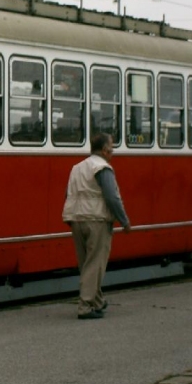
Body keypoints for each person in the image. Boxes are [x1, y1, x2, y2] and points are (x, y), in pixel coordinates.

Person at [62, 132, 130, 319]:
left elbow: (68, 194)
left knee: (86, 264)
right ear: (104, 149)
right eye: (112, 146)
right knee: (95, 264)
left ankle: (97, 301)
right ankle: (85, 306)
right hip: (96, 220)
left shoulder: (77, 167)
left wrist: (69, 216)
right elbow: (112, 197)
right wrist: (124, 220)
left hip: (77, 219)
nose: (113, 150)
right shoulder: (102, 168)